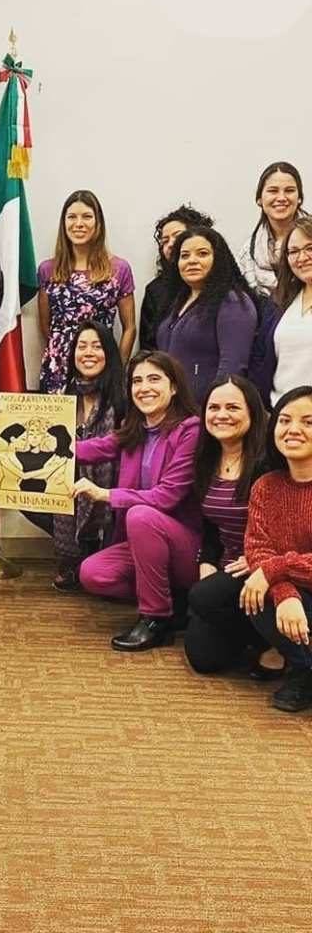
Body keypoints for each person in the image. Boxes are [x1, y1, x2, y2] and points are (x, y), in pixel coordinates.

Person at [72, 351, 201, 651]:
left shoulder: (191, 430)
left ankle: (155, 619)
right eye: (137, 381)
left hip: (186, 547)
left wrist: (106, 494)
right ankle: (174, 601)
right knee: (93, 574)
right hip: (143, 544)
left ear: (174, 387)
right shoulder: (135, 430)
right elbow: (86, 449)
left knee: (141, 515)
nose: (144, 388)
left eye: (154, 379)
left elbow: (167, 497)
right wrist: (19, 429)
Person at [3, 322, 126, 591]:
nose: (88, 353)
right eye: (82, 346)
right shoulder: (64, 396)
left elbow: (115, 448)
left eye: (97, 346)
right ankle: (78, 552)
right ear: (72, 355)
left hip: (113, 488)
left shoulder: (124, 397)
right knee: (27, 490)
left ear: (110, 353)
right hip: (71, 488)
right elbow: (36, 431)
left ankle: (92, 548)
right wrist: (3, 423)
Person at [183, 377, 273, 675]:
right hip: (227, 568)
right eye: (213, 407)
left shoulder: (268, 463)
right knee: (202, 658)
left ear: (252, 413)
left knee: (201, 598)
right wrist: (207, 561)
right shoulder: (205, 460)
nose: (221, 415)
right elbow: (210, 527)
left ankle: (276, 643)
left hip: (264, 567)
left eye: (233, 407)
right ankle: (259, 637)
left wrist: (258, 560)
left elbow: (286, 529)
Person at [242, 385, 312, 712]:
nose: (293, 429)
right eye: (284, 420)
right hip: (297, 590)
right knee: (254, 597)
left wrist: (272, 571)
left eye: (308, 422)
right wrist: (284, 593)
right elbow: (257, 548)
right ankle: (304, 670)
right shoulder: (266, 485)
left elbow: (268, 563)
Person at [37, 190, 136, 392]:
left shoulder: (118, 269)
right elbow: (46, 325)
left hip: (101, 365)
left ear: (98, 222)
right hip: (58, 368)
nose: (79, 224)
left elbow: (130, 328)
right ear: (63, 224)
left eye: (87, 216)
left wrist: (117, 367)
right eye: (72, 217)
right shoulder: (48, 270)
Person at [156, 225, 258, 405]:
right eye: (184, 256)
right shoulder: (176, 302)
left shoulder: (232, 302)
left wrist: (214, 408)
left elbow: (232, 366)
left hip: (208, 412)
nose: (191, 261)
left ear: (218, 260)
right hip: (173, 412)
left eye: (202, 254)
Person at [251, 218, 312, 406]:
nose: (302, 258)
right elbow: (260, 360)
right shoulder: (278, 301)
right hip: (280, 415)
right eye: (293, 252)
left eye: (309, 248)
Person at [138, 205, 214, 351]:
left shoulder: (221, 285)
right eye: (164, 241)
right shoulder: (155, 291)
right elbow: (148, 347)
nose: (171, 244)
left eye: (177, 236)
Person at [236, 161, 306, 294]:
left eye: (289, 191)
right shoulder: (248, 254)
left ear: (299, 198)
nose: (281, 198)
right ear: (259, 199)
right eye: (273, 191)